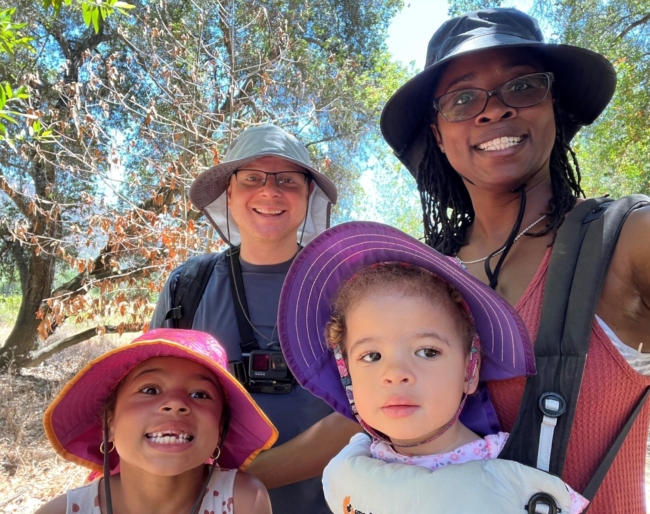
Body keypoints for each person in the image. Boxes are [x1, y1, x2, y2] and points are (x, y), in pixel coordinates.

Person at [375, 8, 650, 513]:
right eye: (462, 98)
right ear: (437, 133)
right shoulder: (423, 278)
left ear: (554, 105)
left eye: (522, 87)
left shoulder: (627, 240)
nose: (493, 110)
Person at [277, 221, 588, 513]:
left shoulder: (513, 469)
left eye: (427, 351)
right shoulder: (352, 464)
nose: (395, 373)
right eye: (371, 356)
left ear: (470, 370)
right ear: (348, 378)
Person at [150, 124, 361, 513]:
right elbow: (150, 401)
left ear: (308, 194)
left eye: (287, 180)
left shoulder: (350, 287)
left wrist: (238, 482)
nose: (270, 191)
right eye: (251, 178)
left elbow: (371, 408)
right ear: (229, 193)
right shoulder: (187, 286)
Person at [35, 328, 277, 514]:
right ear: (109, 424)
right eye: (150, 390)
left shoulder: (243, 501)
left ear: (220, 429)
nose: (176, 403)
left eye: (200, 394)